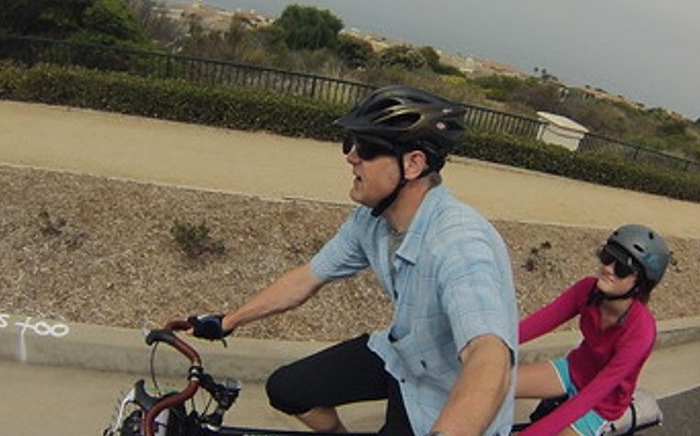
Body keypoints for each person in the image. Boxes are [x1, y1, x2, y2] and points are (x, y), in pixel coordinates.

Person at [186, 85, 519, 436]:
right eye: (351, 141)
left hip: (443, 395)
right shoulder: (372, 220)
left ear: (414, 163)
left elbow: (488, 356)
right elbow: (307, 278)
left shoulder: (459, 241)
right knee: (288, 388)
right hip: (402, 357)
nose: (351, 156)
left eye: (368, 147)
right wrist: (227, 321)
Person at [516, 224, 670, 436]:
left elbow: (592, 395)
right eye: (607, 256)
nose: (608, 268)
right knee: (496, 383)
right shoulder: (588, 290)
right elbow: (530, 327)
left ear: (641, 284)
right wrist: (480, 342)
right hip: (573, 370)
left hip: (601, 404)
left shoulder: (641, 332)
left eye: (622, 268)